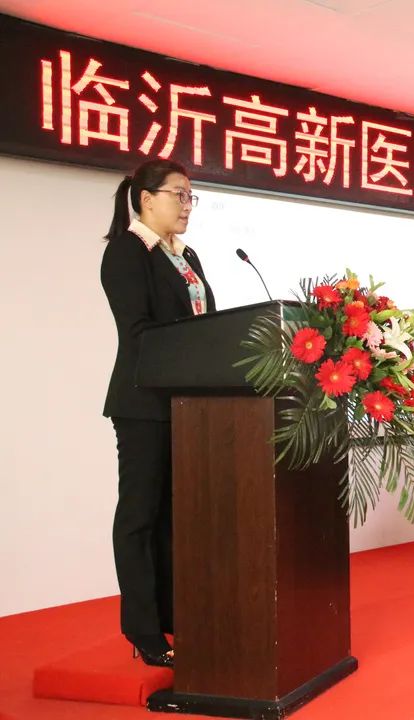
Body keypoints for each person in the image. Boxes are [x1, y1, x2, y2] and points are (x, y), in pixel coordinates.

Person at [101, 159, 215, 667]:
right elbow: (140, 333)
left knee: (176, 516)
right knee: (140, 515)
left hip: (189, 407)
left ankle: (176, 618)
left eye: (192, 197)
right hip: (144, 404)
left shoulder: (186, 256)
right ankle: (144, 631)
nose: (188, 205)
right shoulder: (127, 252)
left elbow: (207, 323)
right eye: (179, 195)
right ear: (146, 199)